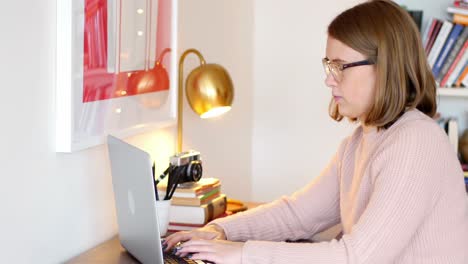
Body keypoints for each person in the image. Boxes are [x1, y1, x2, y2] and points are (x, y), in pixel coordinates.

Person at [164, 0, 468, 263]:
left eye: (340, 67)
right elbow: (297, 216)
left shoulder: (416, 143)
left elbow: (357, 258)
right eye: (328, 66)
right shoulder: (360, 142)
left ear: (384, 66)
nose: (329, 80)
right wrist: (221, 231)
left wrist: (241, 254)